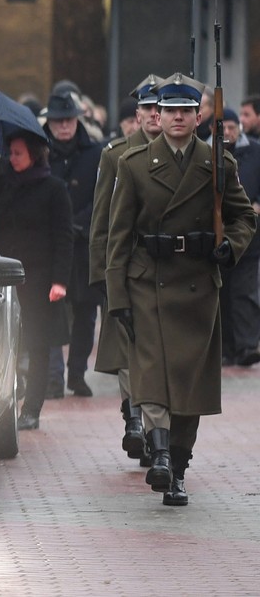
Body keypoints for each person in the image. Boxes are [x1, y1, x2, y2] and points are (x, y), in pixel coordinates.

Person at [106, 73, 257, 506]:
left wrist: (231, 247)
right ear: (160, 113)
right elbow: (118, 237)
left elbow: (244, 218)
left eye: (185, 112)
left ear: (198, 116)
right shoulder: (132, 165)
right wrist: (117, 297)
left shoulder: (218, 165)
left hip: (197, 284)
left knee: (189, 387)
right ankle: (158, 456)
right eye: (169, 110)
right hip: (147, 281)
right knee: (152, 376)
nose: (175, 118)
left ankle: (178, 467)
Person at [89, 74, 163, 465]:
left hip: (163, 271)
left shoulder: (182, 154)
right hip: (124, 267)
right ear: (137, 115)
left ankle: (153, 431)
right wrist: (101, 274)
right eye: (148, 109)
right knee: (127, 350)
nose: (154, 115)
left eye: (160, 108)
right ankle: (134, 419)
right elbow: (102, 220)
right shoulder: (115, 155)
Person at [0, 132, 73, 431]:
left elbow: (64, 236)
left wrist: (60, 280)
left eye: (18, 154)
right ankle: (8, 397)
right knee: (5, 342)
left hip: (38, 280)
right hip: (3, 278)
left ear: (34, 155)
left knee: (37, 346)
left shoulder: (53, 189)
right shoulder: (2, 184)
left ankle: (32, 408)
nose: (12, 159)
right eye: (10, 152)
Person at [41, 92, 101, 398]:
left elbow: (102, 196)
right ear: (49, 122)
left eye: (68, 119)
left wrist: (81, 223)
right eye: (57, 121)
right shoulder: (41, 151)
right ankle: (53, 377)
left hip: (85, 243)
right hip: (52, 244)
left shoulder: (94, 152)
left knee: (85, 310)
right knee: (51, 309)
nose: (64, 126)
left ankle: (77, 373)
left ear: (77, 119)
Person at [220, 107, 260, 368]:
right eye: (223, 128)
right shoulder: (207, 153)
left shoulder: (255, 152)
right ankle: (226, 347)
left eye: (232, 127)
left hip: (250, 235)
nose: (228, 133)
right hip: (219, 235)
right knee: (222, 293)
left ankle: (246, 345)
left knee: (244, 293)